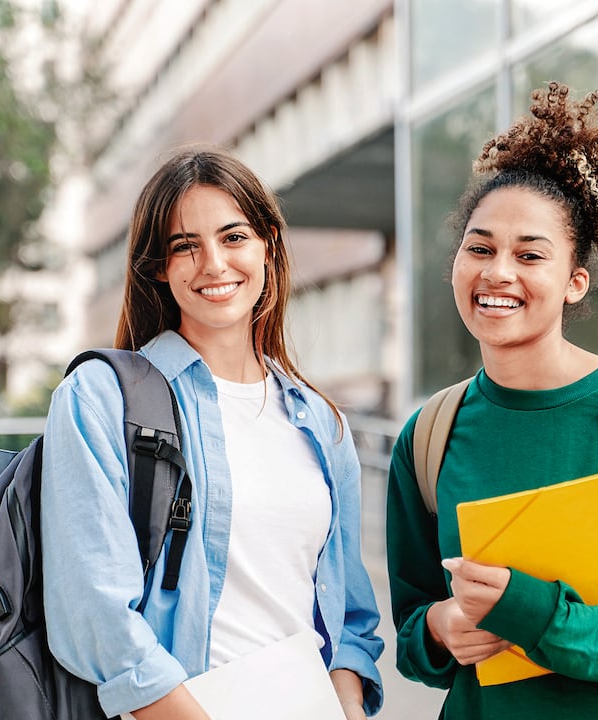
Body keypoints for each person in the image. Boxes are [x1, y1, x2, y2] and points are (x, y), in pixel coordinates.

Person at [385, 83, 598, 719]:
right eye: (479, 248)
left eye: (530, 255)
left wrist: (535, 613)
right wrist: (438, 628)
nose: (498, 273)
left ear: (575, 282)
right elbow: (412, 632)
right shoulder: (429, 435)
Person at [40, 147, 384, 719]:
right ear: (158, 266)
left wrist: (345, 706)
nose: (214, 265)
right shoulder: (100, 398)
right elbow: (96, 614)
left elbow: (350, 618)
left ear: (268, 246)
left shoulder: (322, 423)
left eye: (233, 237)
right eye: (185, 246)